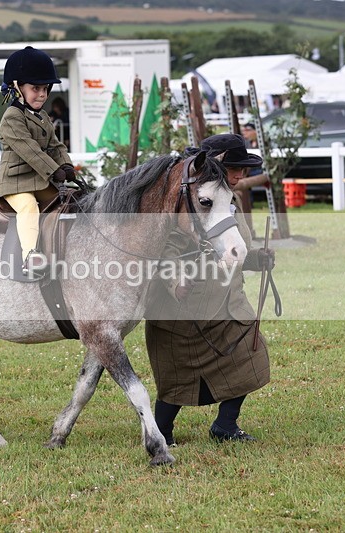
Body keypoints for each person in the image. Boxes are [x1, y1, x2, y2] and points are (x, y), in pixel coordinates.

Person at [144, 133, 276, 445]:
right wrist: (176, 281)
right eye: (235, 167)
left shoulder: (231, 200)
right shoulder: (189, 202)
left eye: (244, 169)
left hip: (229, 304)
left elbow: (232, 249)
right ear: (214, 166)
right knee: (177, 379)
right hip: (185, 309)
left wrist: (255, 259)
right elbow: (167, 252)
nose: (240, 175)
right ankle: (161, 432)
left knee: (251, 356)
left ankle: (225, 425)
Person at [0, 46, 75, 275]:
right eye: (35, 88)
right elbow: (30, 151)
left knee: (71, 201)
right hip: (15, 183)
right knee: (28, 206)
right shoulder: (11, 118)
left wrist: (66, 165)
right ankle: (30, 256)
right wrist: (54, 170)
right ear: (17, 88)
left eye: (45, 89)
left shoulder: (43, 116)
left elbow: (55, 145)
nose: (42, 94)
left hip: (40, 179)